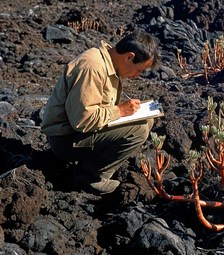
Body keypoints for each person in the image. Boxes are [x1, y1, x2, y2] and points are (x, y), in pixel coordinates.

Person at [41, 30, 160, 194]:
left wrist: (123, 112)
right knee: (138, 130)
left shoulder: (108, 62)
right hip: (65, 140)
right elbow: (83, 120)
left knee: (147, 120)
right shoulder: (93, 68)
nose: (137, 75)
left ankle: (92, 165)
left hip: (76, 132)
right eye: (139, 70)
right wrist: (120, 110)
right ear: (129, 57)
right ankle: (89, 176)